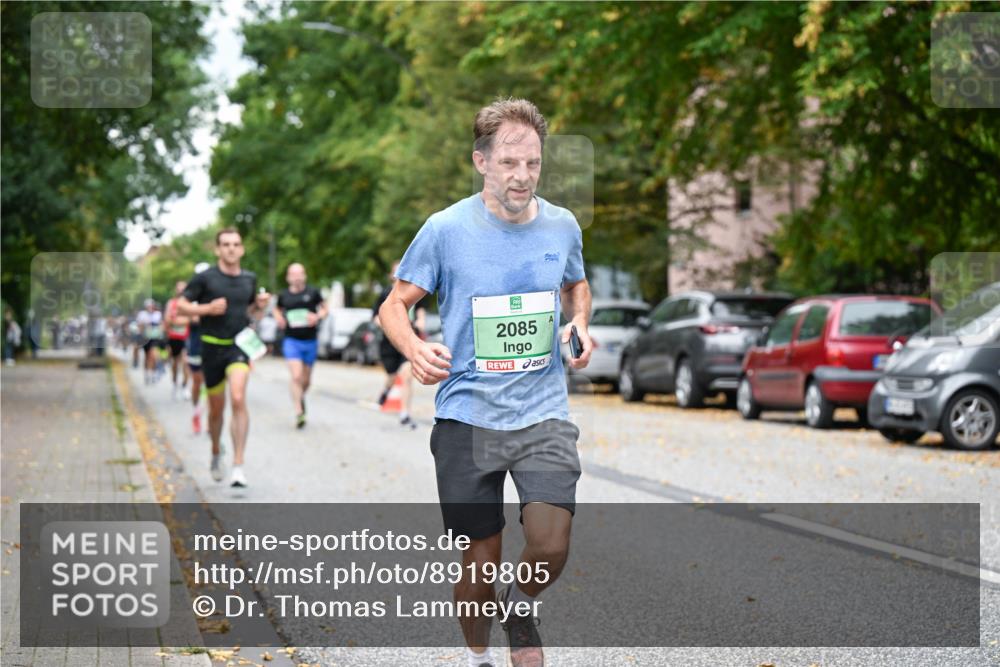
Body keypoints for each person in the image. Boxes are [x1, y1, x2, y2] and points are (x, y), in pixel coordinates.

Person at [379, 98, 593, 667]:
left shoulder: (562, 224)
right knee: (480, 561)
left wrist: (579, 324)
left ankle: (520, 605)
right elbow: (393, 306)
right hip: (466, 416)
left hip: (542, 409)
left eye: (533, 164)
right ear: (481, 162)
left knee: (550, 542)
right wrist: (415, 347)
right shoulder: (445, 230)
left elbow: (576, 285)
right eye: (508, 163)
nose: (521, 176)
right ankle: (478, 658)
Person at [177, 229, 270, 487]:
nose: (231, 249)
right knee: (216, 410)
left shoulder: (249, 279)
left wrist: (260, 306)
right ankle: (217, 450)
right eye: (226, 244)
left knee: (238, 397)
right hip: (210, 348)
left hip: (238, 346)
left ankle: (238, 466)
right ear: (218, 249)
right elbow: (181, 306)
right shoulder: (205, 278)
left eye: (236, 244)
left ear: (242, 249)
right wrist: (206, 308)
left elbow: (250, 311)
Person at [373, 260, 426, 429]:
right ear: (391, 276)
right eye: (396, 273)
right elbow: (376, 317)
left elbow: (420, 311)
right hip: (389, 342)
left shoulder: (416, 291)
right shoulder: (385, 294)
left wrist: (421, 322)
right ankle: (386, 391)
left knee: (406, 375)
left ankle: (404, 413)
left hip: (410, 339)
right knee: (392, 376)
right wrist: (391, 326)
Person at [274, 263, 327, 428]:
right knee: (296, 376)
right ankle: (298, 412)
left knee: (306, 381)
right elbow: (277, 309)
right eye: (293, 274)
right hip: (291, 340)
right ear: (288, 277)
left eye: (300, 274)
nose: (297, 277)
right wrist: (279, 318)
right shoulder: (284, 295)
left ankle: (300, 397)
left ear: (304, 276)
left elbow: (325, 309)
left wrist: (317, 316)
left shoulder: (313, 292)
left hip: (310, 341)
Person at [186, 262, 211, 435]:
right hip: (196, 346)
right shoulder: (191, 299)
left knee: (212, 384)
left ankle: (209, 420)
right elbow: (192, 319)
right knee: (197, 382)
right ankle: (196, 411)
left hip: (213, 347)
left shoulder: (217, 295)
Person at [164, 281, 192, 399]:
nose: (181, 291)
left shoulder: (190, 303)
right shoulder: (171, 303)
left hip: (186, 337)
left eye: (183, 289)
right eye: (179, 288)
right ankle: (175, 384)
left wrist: (176, 320)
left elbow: (192, 320)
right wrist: (181, 320)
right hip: (173, 337)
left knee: (186, 362)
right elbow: (167, 319)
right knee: (175, 363)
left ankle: (185, 386)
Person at [135, 300, 164, 384]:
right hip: (145, 338)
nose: (150, 308)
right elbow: (139, 327)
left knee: (153, 355)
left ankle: (153, 372)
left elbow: (162, 325)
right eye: (148, 306)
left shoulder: (158, 314)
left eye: (151, 306)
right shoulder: (142, 315)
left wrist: (160, 332)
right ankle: (147, 373)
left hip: (155, 338)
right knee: (147, 357)